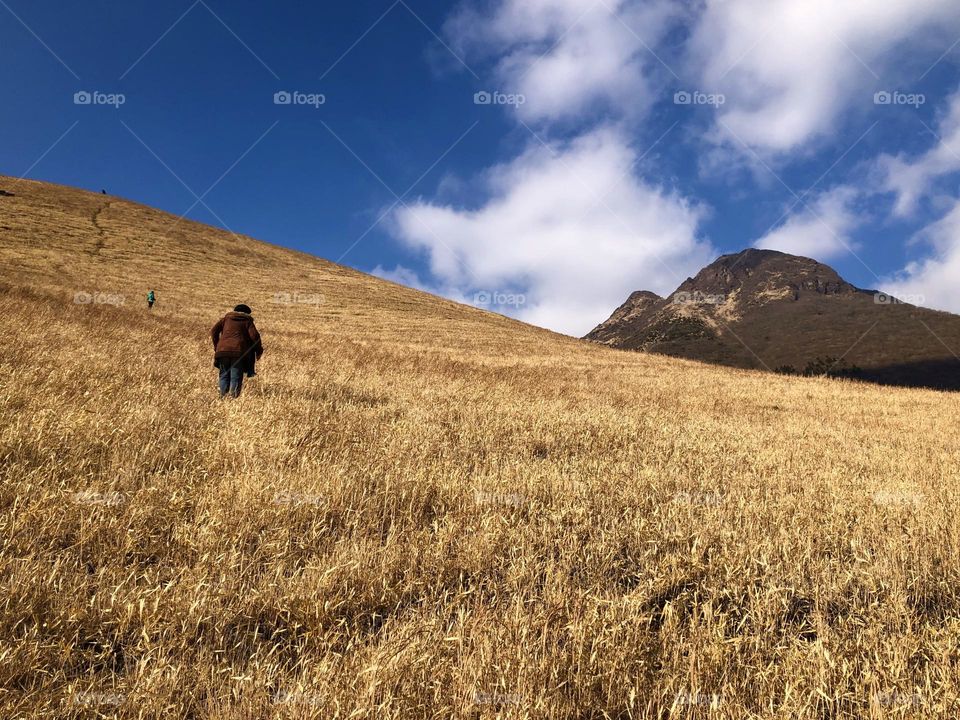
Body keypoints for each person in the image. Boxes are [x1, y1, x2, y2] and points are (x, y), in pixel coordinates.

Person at [211, 304, 263, 398]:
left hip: (222, 351)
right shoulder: (247, 321)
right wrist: (259, 351)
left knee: (223, 375)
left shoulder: (226, 319)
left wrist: (217, 346)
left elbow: (214, 331)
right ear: (247, 313)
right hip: (239, 353)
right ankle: (232, 399)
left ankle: (222, 398)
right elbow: (255, 336)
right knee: (236, 377)